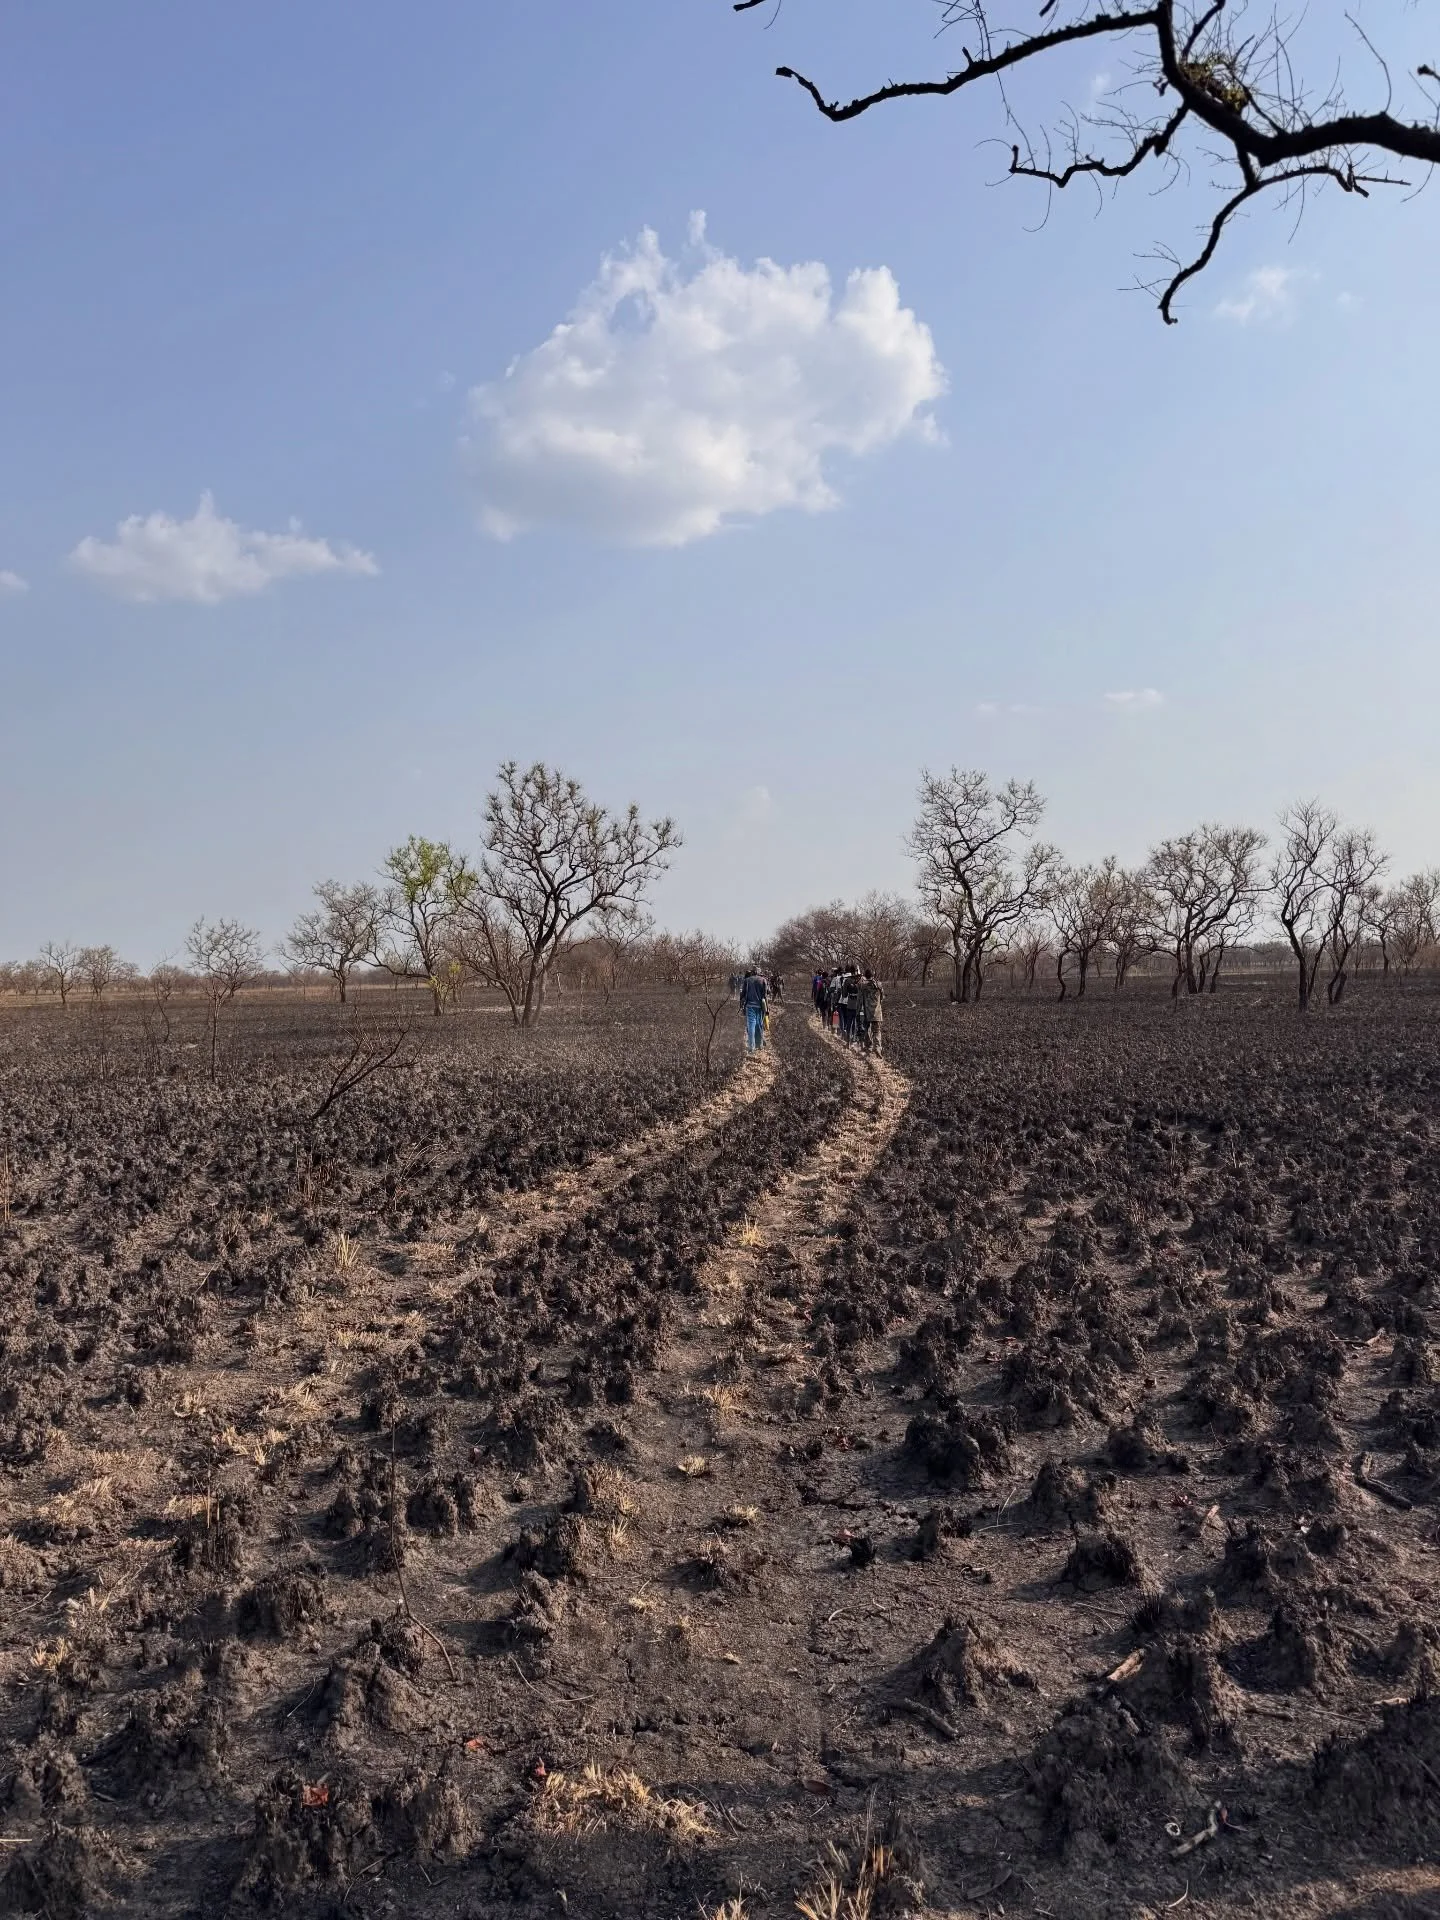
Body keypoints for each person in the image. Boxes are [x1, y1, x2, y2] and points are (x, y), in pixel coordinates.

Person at [739, 966, 769, 1053]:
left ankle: (751, 1048)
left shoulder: (747, 980)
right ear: (758, 972)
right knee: (759, 1025)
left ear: (752, 972)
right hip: (760, 1006)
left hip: (750, 1006)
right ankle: (759, 1045)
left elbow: (742, 995)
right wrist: (767, 1009)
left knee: (751, 1026)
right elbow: (765, 996)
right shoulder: (763, 980)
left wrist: (741, 1007)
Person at [860, 967, 885, 1055]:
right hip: (877, 1012)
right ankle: (877, 1047)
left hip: (867, 1012)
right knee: (877, 1031)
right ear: (873, 975)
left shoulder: (863, 986)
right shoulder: (879, 984)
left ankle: (869, 1046)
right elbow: (882, 997)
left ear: (865, 976)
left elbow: (861, 999)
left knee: (866, 1029)